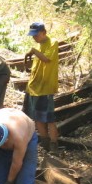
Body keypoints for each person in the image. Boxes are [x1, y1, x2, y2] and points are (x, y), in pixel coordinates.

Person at [24, 21, 60, 153]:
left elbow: (47, 59)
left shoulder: (52, 43)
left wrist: (33, 51)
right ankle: (45, 144)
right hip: (33, 87)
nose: (34, 38)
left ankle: (54, 144)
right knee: (37, 118)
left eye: (36, 35)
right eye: (32, 35)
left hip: (45, 88)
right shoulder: (38, 46)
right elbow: (36, 66)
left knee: (49, 119)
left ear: (44, 32)